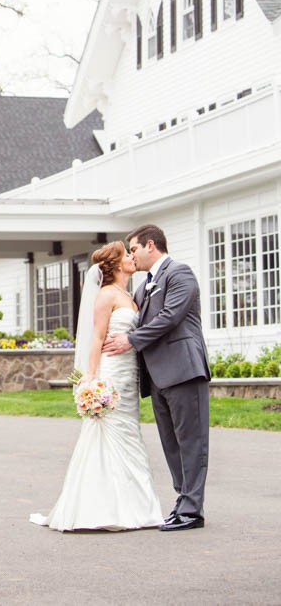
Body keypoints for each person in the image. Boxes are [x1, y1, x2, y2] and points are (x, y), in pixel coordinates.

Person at [29, 240, 163, 532]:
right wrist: (90, 378)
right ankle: (101, 507)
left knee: (130, 433)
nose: (131, 256)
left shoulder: (130, 295)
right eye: (126, 254)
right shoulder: (105, 295)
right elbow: (96, 337)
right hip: (112, 371)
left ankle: (139, 507)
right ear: (114, 264)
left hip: (130, 372)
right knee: (108, 433)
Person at [102, 224, 210, 532]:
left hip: (184, 370)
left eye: (133, 248)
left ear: (151, 245)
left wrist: (131, 340)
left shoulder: (180, 273)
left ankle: (193, 511)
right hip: (157, 377)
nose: (131, 255)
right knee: (171, 444)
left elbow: (170, 317)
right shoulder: (141, 287)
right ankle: (183, 501)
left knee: (192, 441)